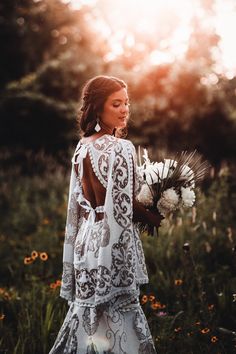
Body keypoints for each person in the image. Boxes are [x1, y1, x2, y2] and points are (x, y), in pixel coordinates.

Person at [49, 75, 163, 354]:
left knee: (88, 317)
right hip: (112, 244)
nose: (125, 110)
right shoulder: (121, 148)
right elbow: (123, 209)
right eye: (116, 104)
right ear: (98, 107)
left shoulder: (81, 147)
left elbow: (78, 208)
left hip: (86, 242)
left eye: (126, 103)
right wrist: (153, 215)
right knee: (122, 315)